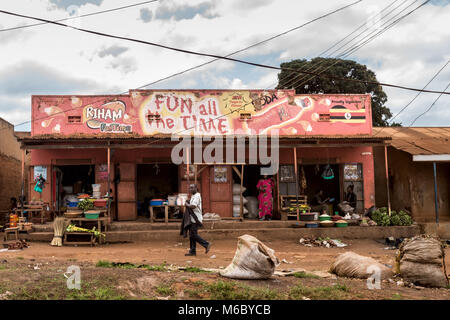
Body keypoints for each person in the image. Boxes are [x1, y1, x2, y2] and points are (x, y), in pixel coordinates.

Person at [182, 184, 211, 256]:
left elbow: (193, 206)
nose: (190, 189)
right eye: (190, 188)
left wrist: (187, 204)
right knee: (191, 235)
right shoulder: (193, 196)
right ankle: (192, 251)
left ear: (196, 188)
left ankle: (206, 244)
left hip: (196, 218)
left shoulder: (197, 196)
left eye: (192, 188)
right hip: (192, 218)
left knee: (193, 234)